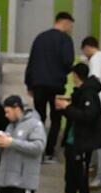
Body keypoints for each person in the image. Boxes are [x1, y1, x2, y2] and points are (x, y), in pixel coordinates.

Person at [52, 63, 101, 193]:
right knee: (70, 178)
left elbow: (88, 116)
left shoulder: (90, 93)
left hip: (83, 143)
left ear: (76, 75)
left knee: (82, 179)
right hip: (72, 142)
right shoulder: (79, 93)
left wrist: (68, 107)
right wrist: (63, 108)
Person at [24, 12, 75, 162]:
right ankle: (49, 152)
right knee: (56, 119)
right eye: (70, 26)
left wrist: (29, 83)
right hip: (56, 85)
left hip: (38, 84)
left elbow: (31, 61)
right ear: (65, 23)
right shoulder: (65, 39)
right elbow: (68, 62)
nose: (70, 29)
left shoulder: (40, 38)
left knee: (39, 118)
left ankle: (37, 150)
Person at [0, 96, 46, 193]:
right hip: (5, 181)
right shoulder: (9, 126)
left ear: (16, 108)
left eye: (8, 111)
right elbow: (0, 152)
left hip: (23, 182)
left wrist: (12, 142)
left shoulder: (35, 124)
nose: (6, 115)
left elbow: (38, 147)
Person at [81, 36, 101, 188]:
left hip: (100, 105)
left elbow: (95, 80)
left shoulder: (96, 59)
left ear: (87, 48)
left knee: (99, 143)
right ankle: (95, 169)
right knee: (98, 142)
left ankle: (100, 176)